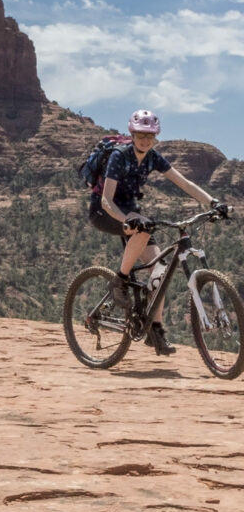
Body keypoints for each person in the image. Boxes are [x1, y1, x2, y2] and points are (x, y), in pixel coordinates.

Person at [88, 108, 225, 357]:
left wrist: (212, 202)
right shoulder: (120, 156)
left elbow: (184, 183)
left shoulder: (153, 157)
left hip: (132, 213)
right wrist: (128, 219)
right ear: (132, 133)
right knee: (140, 230)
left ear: (156, 138)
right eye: (141, 135)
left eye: (150, 136)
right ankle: (120, 280)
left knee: (159, 270)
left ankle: (156, 330)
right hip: (104, 211)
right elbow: (107, 200)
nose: (145, 140)